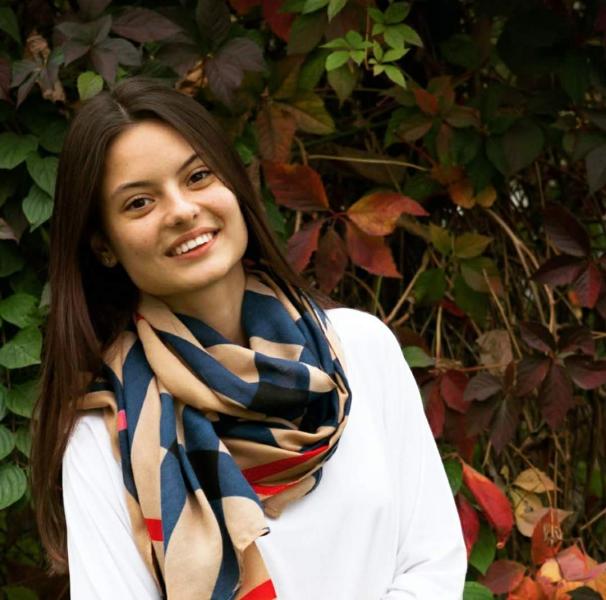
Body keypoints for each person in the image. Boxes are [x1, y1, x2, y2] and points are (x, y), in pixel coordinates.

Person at [30, 76, 467, 600]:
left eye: (197, 176)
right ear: (104, 244)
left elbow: (431, 563)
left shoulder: (362, 350)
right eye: (140, 202)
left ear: (234, 184)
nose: (182, 210)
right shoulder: (105, 434)